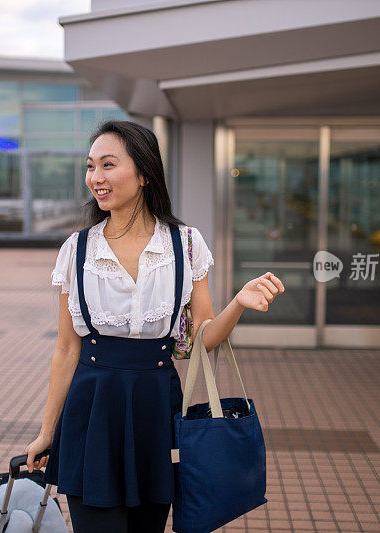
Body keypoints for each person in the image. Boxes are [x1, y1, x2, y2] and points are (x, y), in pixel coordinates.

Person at [24, 120, 285, 532]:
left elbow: (204, 339)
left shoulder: (185, 245)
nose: (96, 178)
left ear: (144, 174)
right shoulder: (76, 250)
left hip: (155, 411)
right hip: (93, 413)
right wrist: (46, 431)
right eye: (91, 166)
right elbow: (67, 349)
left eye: (108, 165)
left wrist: (238, 303)